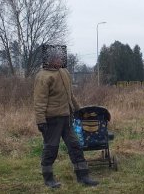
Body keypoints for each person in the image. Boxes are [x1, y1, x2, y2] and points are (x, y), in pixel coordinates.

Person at [34, 46, 98, 188]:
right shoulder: (43, 76)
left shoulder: (65, 72)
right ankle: (48, 179)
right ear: (50, 60)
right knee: (51, 149)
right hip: (51, 120)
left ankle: (83, 177)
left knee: (75, 146)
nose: (60, 60)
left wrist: (78, 110)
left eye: (61, 58)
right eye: (57, 58)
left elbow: (71, 94)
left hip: (67, 118)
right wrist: (40, 121)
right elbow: (39, 101)